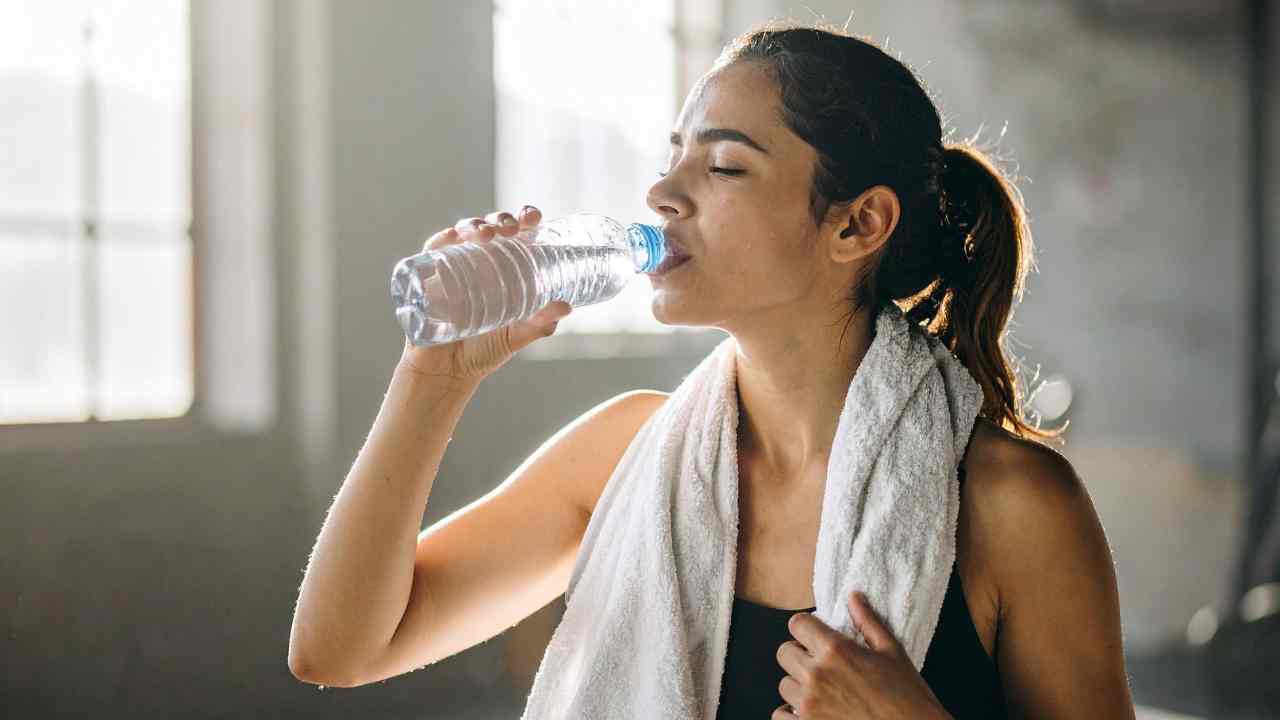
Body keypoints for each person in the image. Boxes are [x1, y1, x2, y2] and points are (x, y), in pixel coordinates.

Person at [289, 19, 1136, 719]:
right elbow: (340, 649)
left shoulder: (1015, 505)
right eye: (675, 154)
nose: (663, 192)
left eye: (724, 165)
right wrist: (432, 379)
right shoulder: (624, 453)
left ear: (857, 225)